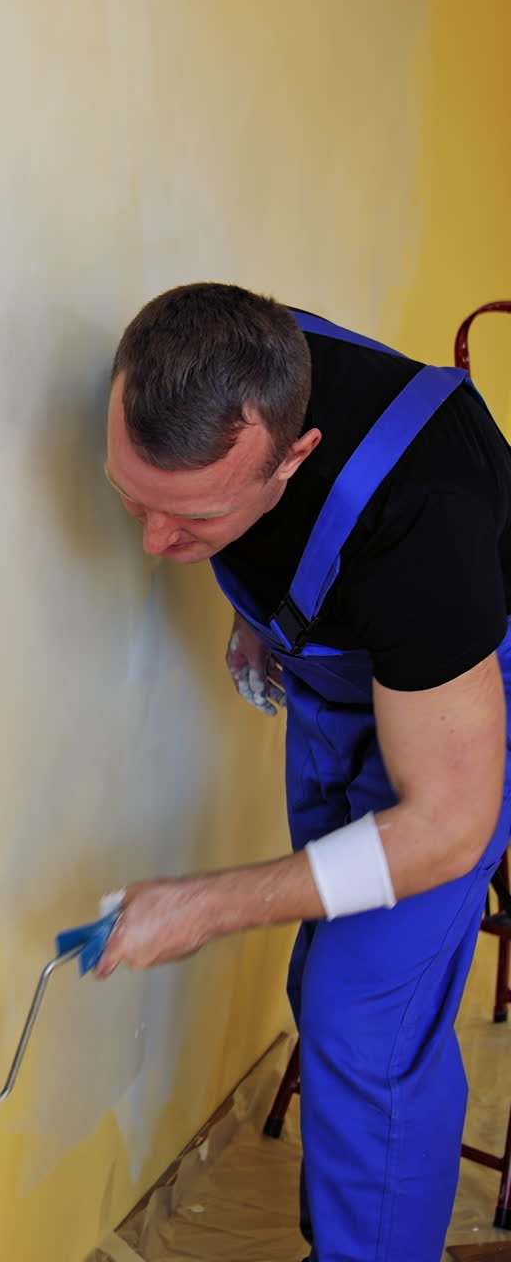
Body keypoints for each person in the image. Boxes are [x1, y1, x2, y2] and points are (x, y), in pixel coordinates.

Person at [97, 283, 511, 1262]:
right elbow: (234, 511)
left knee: (361, 1018)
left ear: (296, 456)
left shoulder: (424, 521)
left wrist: (207, 904)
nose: (155, 547)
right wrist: (257, 607)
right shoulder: (226, 354)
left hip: (463, 711)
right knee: (324, 964)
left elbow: (445, 823)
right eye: (134, 501)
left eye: (191, 520)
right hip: (342, 679)